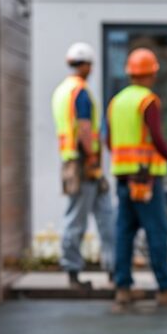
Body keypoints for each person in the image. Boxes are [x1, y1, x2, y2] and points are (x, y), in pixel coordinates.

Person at [105, 48, 167, 308]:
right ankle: (165, 288)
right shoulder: (148, 101)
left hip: (123, 175)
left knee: (125, 231)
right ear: (152, 73)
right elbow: (156, 137)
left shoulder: (116, 101)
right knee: (157, 231)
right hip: (146, 178)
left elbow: (109, 140)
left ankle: (123, 287)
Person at [51, 42, 114, 290]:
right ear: (86, 65)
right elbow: (85, 128)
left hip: (72, 161)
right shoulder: (81, 92)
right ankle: (75, 271)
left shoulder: (61, 91)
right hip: (83, 163)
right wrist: (92, 159)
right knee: (78, 217)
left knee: (104, 214)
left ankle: (112, 269)